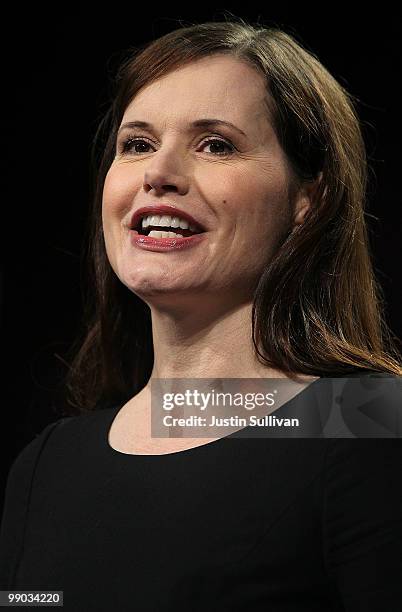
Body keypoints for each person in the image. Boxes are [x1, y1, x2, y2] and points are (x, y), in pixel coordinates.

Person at [1, 17, 402, 611]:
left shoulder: (374, 423)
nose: (158, 174)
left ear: (307, 199)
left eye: (216, 144)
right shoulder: (47, 465)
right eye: (136, 144)